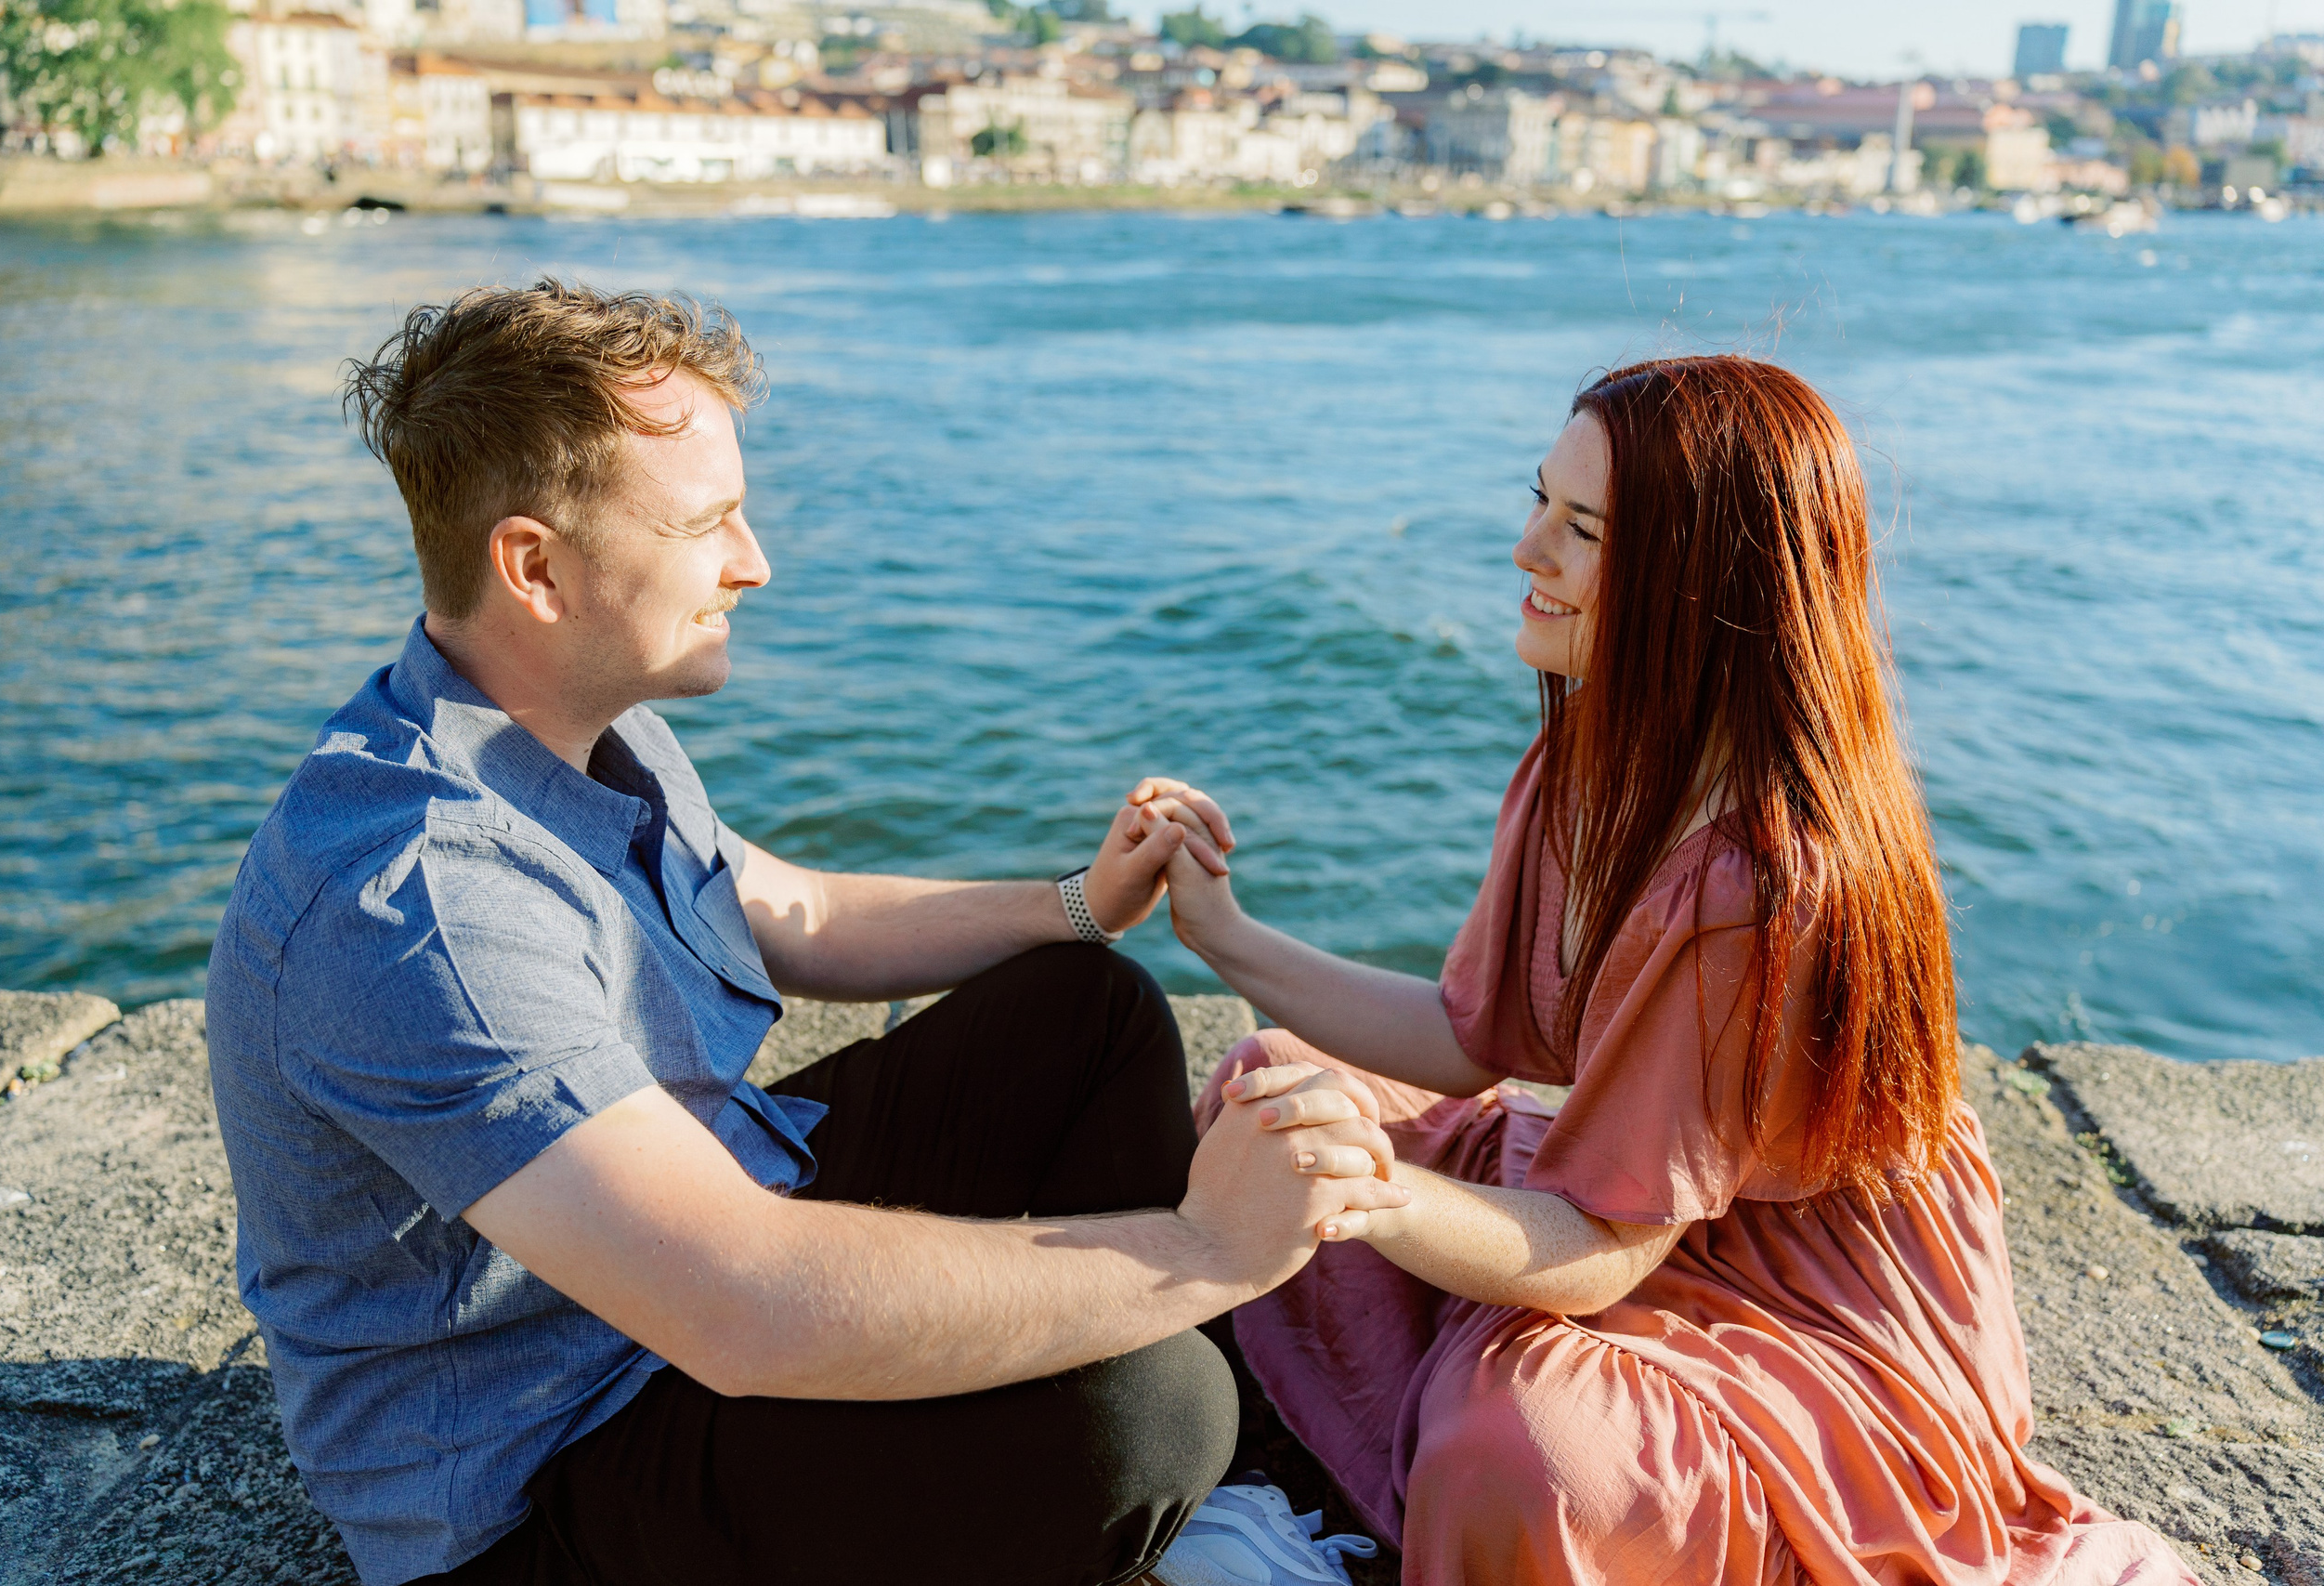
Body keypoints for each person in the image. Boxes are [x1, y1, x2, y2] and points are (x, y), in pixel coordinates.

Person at [202, 280, 1408, 1586]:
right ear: (534, 566)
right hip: (547, 1472)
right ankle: (1167, 1496)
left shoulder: (572, 725)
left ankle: (1215, 1521)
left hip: (662, 1287)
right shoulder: (422, 905)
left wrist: (1077, 902)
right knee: (1148, 1410)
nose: (754, 561)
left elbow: (787, 907)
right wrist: (1210, 1252)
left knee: (1084, 1005)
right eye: (708, 522)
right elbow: (744, 1304)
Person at [1148, 357, 2196, 1584]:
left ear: (1704, 583)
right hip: (1618, 1185)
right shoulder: (1592, 754)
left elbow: (1597, 1251)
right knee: (1263, 1090)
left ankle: (1441, 1511)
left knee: (1526, 1450)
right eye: (1537, 500)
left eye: (1582, 528)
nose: (1527, 549)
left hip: (1798, 1284)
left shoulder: (1764, 876)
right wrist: (1224, 935)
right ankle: (1399, 1501)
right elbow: (1478, 1038)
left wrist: (1369, 1191)